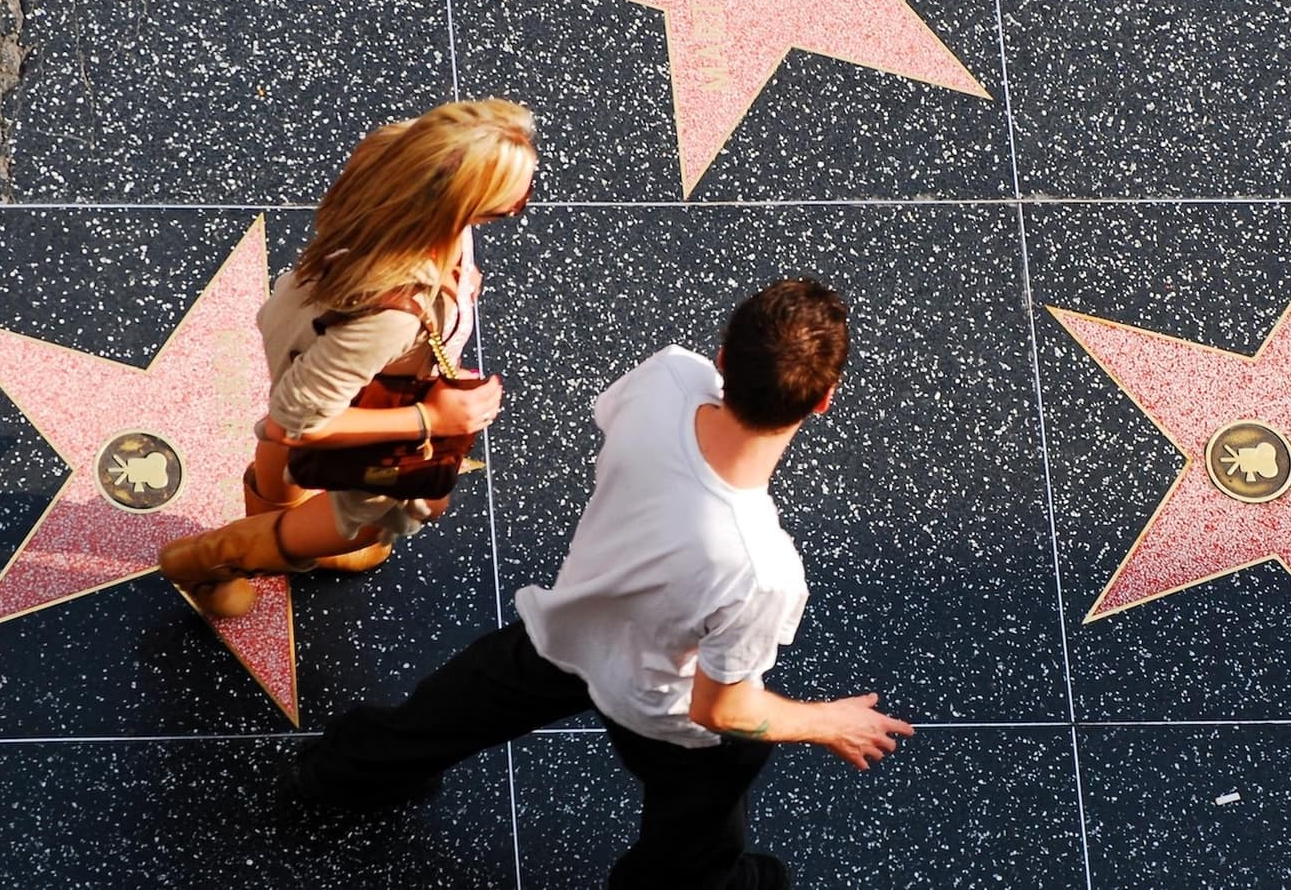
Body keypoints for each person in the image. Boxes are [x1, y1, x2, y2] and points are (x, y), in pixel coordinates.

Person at [290, 280, 914, 889]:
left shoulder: (670, 378)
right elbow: (720, 709)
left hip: (571, 627)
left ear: (724, 358)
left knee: (456, 705)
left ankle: (344, 775)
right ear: (822, 400)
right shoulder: (762, 570)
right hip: (661, 714)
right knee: (694, 844)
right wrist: (828, 723)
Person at [157, 98, 537, 618]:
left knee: (283, 420)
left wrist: (455, 285)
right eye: (511, 202)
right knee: (368, 520)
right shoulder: (393, 314)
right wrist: (435, 417)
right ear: (459, 203)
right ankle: (212, 561)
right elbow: (301, 422)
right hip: (364, 379)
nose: (520, 205)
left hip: (305, 326)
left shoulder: (392, 170)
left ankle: (270, 505)